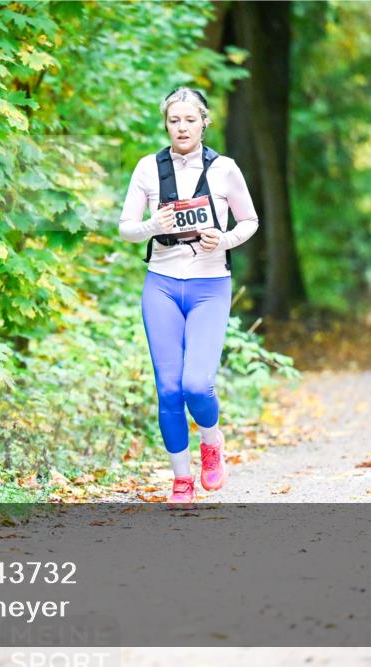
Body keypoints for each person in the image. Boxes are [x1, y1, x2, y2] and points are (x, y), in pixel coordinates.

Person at [118, 87, 260, 505]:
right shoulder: (148, 168)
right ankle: (181, 478)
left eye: (189, 120)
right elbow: (126, 226)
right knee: (169, 389)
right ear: (166, 123)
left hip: (209, 285)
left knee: (197, 384)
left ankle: (212, 442)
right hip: (160, 283)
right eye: (174, 120)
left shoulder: (225, 169)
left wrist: (226, 240)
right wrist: (152, 224)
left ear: (204, 122)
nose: (181, 127)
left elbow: (250, 219)